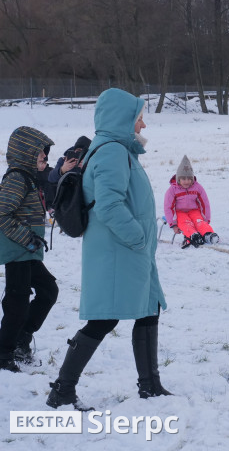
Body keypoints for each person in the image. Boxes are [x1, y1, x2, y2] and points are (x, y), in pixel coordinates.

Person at [46, 88, 170, 410]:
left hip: (126, 251)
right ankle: (62, 390)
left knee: (148, 307)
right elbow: (109, 205)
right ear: (121, 118)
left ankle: (150, 385)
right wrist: (138, 238)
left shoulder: (115, 149)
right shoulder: (113, 152)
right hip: (120, 250)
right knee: (104, 319)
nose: (142, 125)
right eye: (138, 118)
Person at [0, 127, 58, 372]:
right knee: (17, 302)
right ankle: (4, 353)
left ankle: (21, 339)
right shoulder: (17, 178)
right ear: (26, 153)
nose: (45, 157)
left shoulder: (29, 176)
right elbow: (2, 213)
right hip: (18, 251)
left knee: (48, 290)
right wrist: (27, 238)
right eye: (40, 153)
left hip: (28, 251)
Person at [163, 155, 218, 248]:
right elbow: (168, 207)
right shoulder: (172, 190)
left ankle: (208, 235)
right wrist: (173, 225)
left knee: (199, 222)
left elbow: (204, 203)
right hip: (180, 212)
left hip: (194, 211)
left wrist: (206, 219)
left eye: (189, 179)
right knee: (185, 223)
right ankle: (193, 235)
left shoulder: (197, 187)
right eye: (183, 179)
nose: (187, 181)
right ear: (178, 179)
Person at [44, 135, 91, 211]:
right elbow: (51, 178)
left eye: (82, 152)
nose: (79, 154)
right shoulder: (64, 160)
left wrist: (86, 167)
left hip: (84, 196)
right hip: (66, 196)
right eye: (77, 151)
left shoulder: (91, 162)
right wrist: (62, 169)